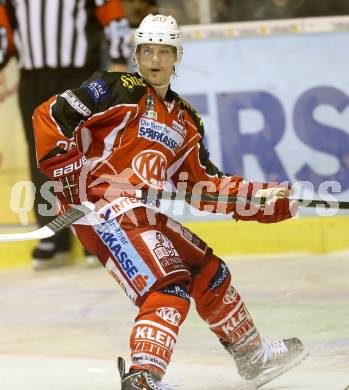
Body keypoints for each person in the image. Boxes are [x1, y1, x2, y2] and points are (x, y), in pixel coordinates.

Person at [32, 14, 307, 390]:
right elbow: (50, 116)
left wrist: (258, 198)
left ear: (178, 56)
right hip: (103, 210)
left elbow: (203, 186)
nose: (156, 59)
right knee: (168, 285)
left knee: (210, 271)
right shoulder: (114, 88)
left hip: (140, 211)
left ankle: (252, 357)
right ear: (136, 54)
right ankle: (142, 377)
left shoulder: (185, 119)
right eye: (148, 50)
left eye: (165, 51)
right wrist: (71, 175)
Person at [0, 0, 131, 270]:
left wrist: (119, 59)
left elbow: (113, 16)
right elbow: (4, 28)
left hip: (79, 74)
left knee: (83, 152)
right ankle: (52, 233)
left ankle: (94, 232)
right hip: (33, 78)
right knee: (42, 156)